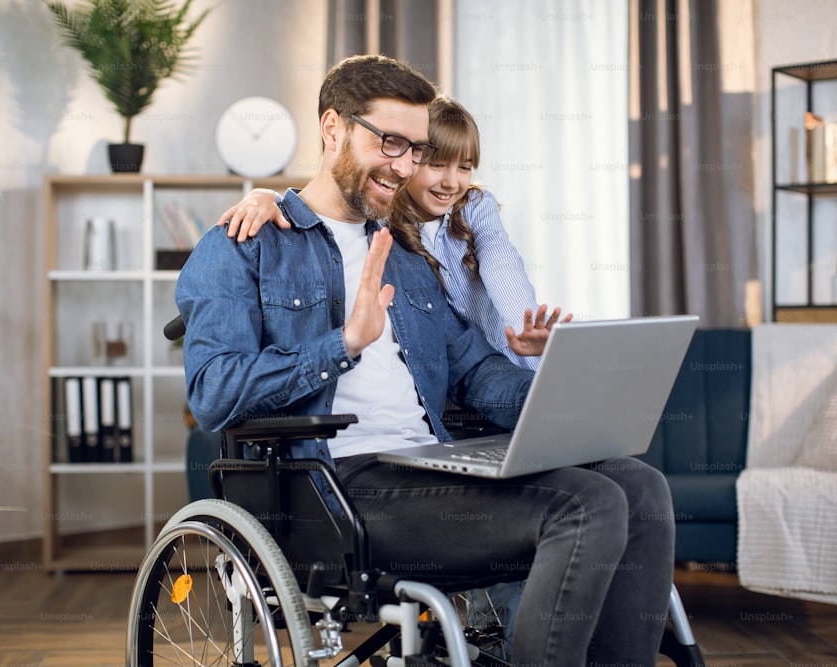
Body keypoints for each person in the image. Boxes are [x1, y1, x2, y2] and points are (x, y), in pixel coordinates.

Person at [177, 54, 675, 666]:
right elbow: (212, 393)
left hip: (432, 464)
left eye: (415, 148)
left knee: (639, 485)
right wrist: (342, 345)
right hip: (336, 488)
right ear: (332, 128)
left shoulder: (408, 255)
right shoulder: (247, 245)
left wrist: (564, 389)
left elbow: (473, 371)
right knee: (586, 504)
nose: (406, 165)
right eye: (390, 142)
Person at [217, 94, 569, 370]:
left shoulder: (475, 205)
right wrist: (267, 196)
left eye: (464, 167)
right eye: (435, 164)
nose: (451, 181)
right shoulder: (383, 220)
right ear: (410, 159)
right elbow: (325, 201)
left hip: (509, 355)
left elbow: (500, 259)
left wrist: (521, 319)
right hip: (452, 379)